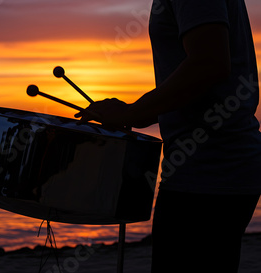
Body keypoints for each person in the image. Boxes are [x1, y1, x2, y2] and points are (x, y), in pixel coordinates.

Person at [75, 0, 261, 272]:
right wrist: (133, 113)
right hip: (212, 170)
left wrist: (132, 114)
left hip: (208, 175)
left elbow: (209, 63)